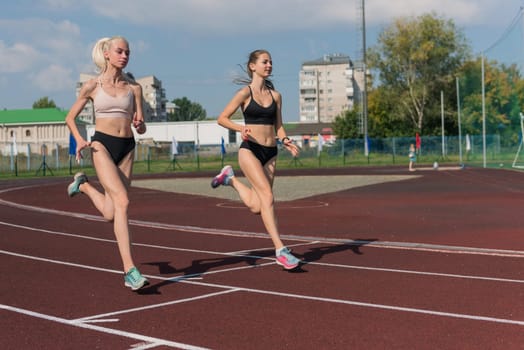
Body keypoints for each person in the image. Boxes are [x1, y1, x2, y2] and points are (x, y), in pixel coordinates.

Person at [65, 36, 149, 291]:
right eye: (120, 51)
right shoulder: (92, 86)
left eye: (128, 52)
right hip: (101, 145)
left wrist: (140, 124)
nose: (124, 56)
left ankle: (85, 187)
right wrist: (80, 139)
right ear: (107, 53)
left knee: (111, 212)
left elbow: (142, 126)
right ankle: (130, 270)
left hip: (127, 147)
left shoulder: (134, 88)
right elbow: (70, 117)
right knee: (123, 202)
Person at [211, 49, 302, 270]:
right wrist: (239, 127)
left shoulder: (276, 96)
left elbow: (278, 125)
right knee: (268, 197)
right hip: (249, 149)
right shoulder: (245, 93)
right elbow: (222, 118)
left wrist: (286, 140)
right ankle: (280, 249)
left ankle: (230, 178)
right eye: (264, 62)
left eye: (271, 62)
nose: (269, 65)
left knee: (257, 205)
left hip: (271, 152)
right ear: (253, 66)